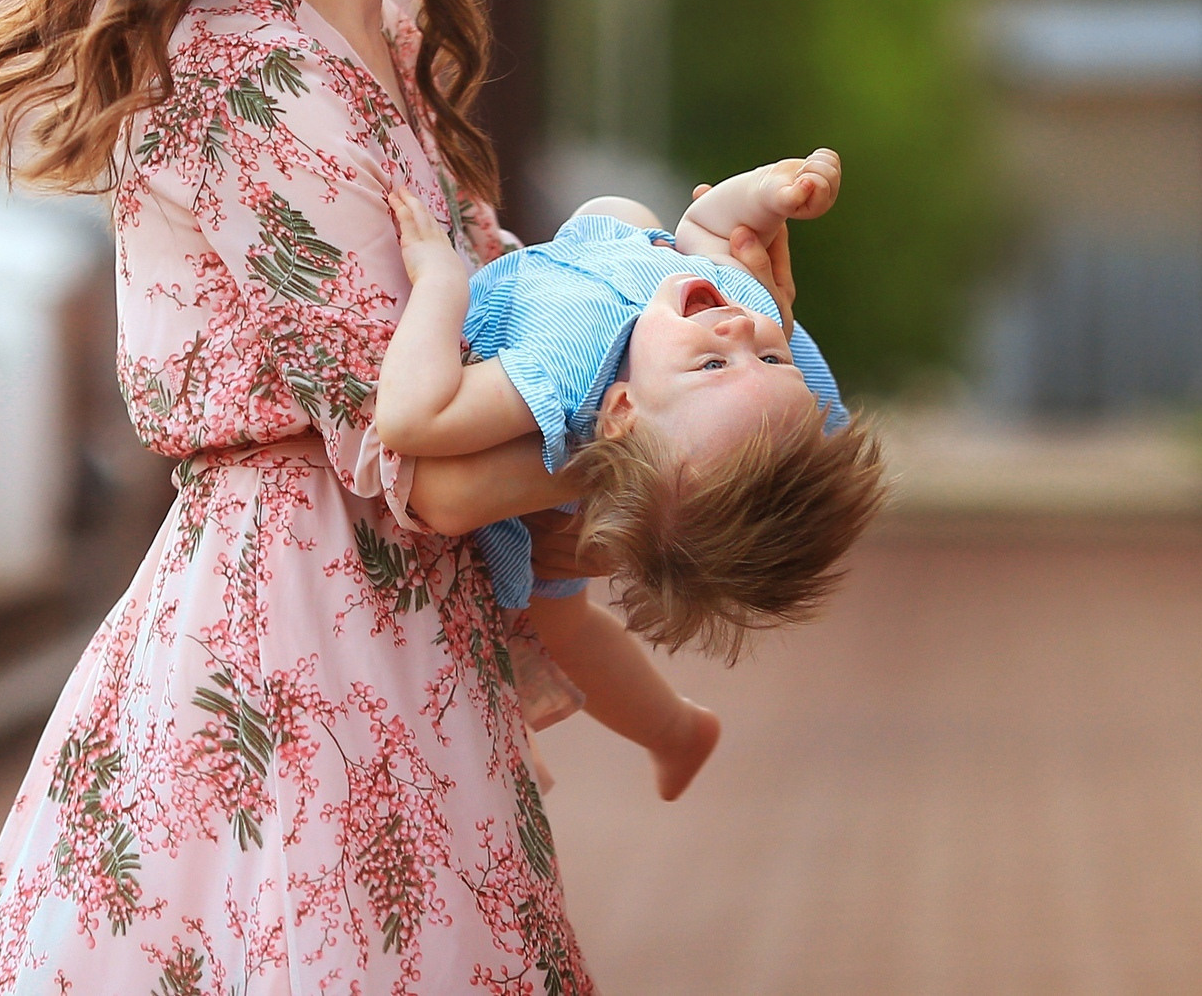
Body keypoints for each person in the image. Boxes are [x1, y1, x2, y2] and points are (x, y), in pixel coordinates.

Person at [0, 0, 592, 994]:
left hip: (391, 637)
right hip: (299, 656)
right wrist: (660, 432)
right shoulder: (252, 71)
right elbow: (423, 467)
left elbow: (496, 319)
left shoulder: (385, 26)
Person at [375, 152, 887, 802]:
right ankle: (679, 731)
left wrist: (440, 284)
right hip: (604, 266)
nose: (736, 327)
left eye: (711, 365)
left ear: (621, 410)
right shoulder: (732, 308)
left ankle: (674, 729)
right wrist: (770, 190)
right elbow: (706, 226)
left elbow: (413, 421)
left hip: (555, 390)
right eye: (771, 354)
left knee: (560, 625)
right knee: (625, 215)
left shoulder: (563, 366)